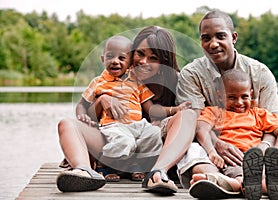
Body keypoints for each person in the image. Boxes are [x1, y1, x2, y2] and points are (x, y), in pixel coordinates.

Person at [56, 26, 197, 194]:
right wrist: (102, 101)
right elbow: (89, 117)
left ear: (163, 62)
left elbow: (160, 112)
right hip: (113, 137)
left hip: (149, 143)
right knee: (66, 124)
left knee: (188, 114)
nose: (144, 61)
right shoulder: (108, 79)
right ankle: (83, 171)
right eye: (140, 54)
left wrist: (175, 111)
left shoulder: (177, 82)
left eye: (153, 58)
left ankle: (158, 173)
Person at [175, 9, 278, 198]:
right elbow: (195, 124)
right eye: (206, 38)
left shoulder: (260, 73)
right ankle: (216, 181)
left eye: (220, 36)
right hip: (214, 143)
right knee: (191, 149)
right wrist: (216, 146)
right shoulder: (191, 74)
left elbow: (275, 127)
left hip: (258, 145)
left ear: (233, 37)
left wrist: (265, 149)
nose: (213, 44)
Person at [189, 69, 278, 199]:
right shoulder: (215, 112)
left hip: (257, 160)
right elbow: (201, 129)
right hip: (231, 159)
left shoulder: (259, 114)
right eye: (231, 97)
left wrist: (276, 151)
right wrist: (212, 151)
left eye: (244, 96)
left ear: (251, 94)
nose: (239, 102)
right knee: (239, 174)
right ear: (219, 96)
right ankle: (248, 186)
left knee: (260, 174)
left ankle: (268, 186)